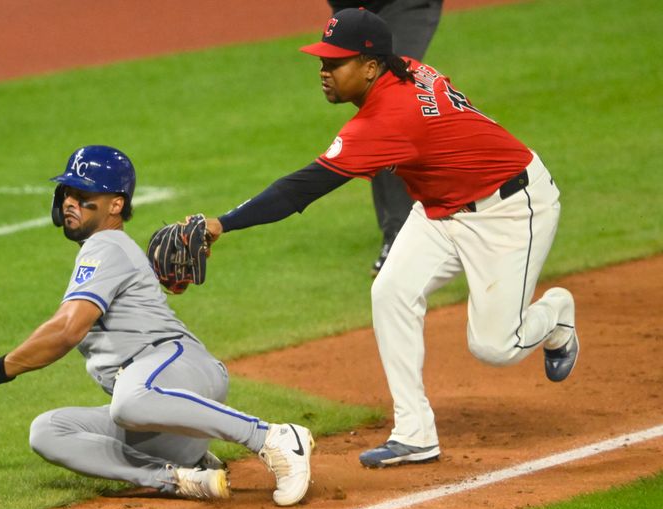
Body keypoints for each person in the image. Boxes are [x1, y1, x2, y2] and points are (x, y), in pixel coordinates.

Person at [200, 9, 580, 468]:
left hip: (511, 208)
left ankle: (556, 313)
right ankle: (414, 432)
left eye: (334, 63)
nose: (323, 73)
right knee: (391, 292)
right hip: (441, 207)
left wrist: (222, 223)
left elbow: (298, 191)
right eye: (321, 61)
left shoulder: (388, 118)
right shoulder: (404, 68)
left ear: (370, 66)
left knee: (495, 347)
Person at [0, 145, 313, 505]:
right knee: (48, 431)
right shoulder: (102, 249)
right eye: (66, 192)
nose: (69, 201)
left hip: (177, 369)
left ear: (116, 204)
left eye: (84, 194)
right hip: (163, 410)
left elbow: (68, 329)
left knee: (129, 400)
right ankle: (180, 475)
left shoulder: (106, 246)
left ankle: (273, 436)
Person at [328, 0, 444, 276]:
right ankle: (412, 225)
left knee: (385, 99)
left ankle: (401, 237)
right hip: (351, 10)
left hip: (404, 3)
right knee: (372, 107)